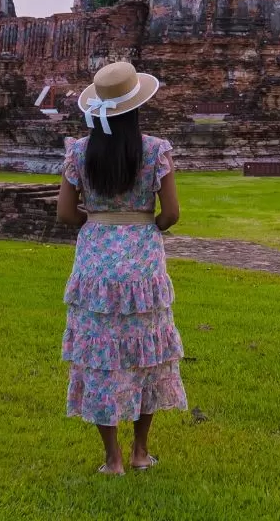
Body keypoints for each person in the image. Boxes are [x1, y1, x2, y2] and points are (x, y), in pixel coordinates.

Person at [56, 60, 186, 475]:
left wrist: (95, 223)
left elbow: (64, 213)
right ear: (136, 106)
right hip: (142, 263)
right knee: (146, 353)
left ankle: (112, 459)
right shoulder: (154, 150)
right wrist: (147, 226)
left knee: (102, 358)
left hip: (95, 260)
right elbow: (171, 214)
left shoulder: (79, 151)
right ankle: (140, 452)